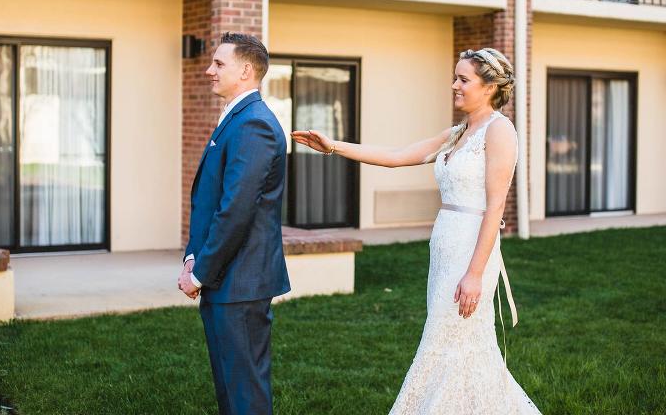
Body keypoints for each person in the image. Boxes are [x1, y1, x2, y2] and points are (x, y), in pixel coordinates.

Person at [291, 47, 541, 414]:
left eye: (463, 79)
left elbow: (495, 207)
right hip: (445, 245)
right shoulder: (458, 132)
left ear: (489, 87)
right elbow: (396, 155)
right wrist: (333, 147)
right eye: (455, 77)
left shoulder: (500, 131)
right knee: (452, 343)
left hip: (472, 250)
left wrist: (474, 274)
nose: (454, 85)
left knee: (452, 340)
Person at [178, 32, 291, 415]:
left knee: (245, 392)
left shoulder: (253, 124)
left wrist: (200, 273)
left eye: (219, 64)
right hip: (228, 277)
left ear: (245, 71)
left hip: (240, 279)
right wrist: (193, 257)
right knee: (230, 384)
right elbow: (211, 199)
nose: (209, 70)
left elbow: (236, 210)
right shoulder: (238, 117)